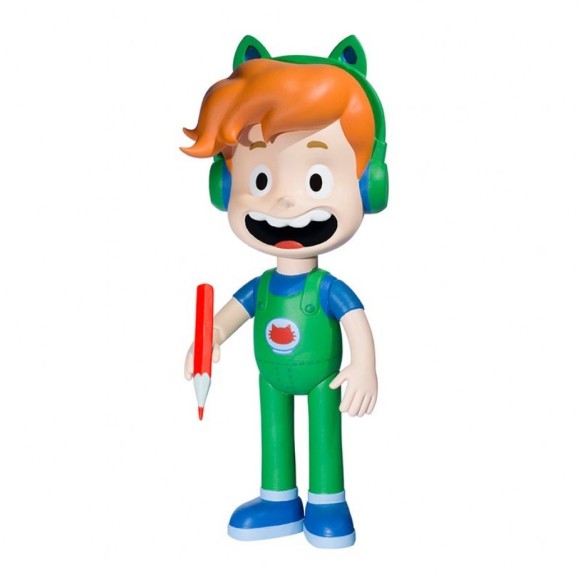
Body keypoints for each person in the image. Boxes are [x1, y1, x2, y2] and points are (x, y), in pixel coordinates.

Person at [182, 35, 388, 549]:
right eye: (259, 179)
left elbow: (355, 321)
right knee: (272, 431)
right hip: (270, 377)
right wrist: (209, 339)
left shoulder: (328, 288)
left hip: (324, 380)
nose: (285, 203)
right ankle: (277, 498)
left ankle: (328, 502)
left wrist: (364, 366)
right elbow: (227, 318)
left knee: (324, 435)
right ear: (225, 187)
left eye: (316, 180)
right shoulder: (261, 287)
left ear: (369, 186)